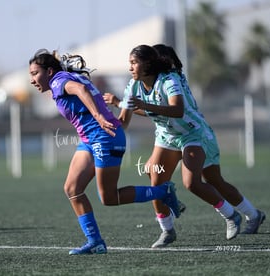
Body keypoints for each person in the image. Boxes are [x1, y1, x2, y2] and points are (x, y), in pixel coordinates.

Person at [103, 44, 265, 248]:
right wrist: (106, 127)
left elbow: (177, 111)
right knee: (155, 180)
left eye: (134, 62)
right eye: (130, 63)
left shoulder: (170, 80)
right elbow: (124, 121)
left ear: (150, 63)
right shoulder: (133, 85)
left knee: (198, 182)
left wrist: (140, 105)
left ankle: (237, 215)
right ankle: (167, 230)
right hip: (167, 136)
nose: (130, 67)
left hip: (193, 133)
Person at [29, 49, 181, 255]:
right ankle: (95, 242)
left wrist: (99, 116)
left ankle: (164, 192)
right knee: (72, 189)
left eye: (34, 73)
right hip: (91, 139)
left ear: (48, 71)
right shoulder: (63, 79)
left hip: (104, 136)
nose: (32, 79)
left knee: (108, 198)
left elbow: (82, 91)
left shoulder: (58, 81)